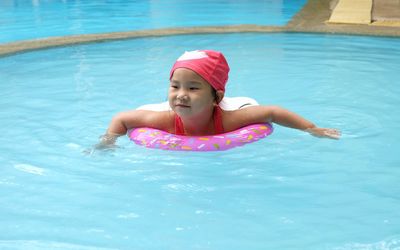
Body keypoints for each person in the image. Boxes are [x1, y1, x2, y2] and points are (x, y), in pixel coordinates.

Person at [97, 50, 340, 148]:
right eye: (174, 86)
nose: (181, 94)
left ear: (217, 97)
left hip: (222, 115)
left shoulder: (230, 119)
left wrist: (311, 129)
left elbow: (273, 112)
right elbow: (122, 118)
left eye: (193, 88)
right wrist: (108, 142)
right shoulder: (165, 120)